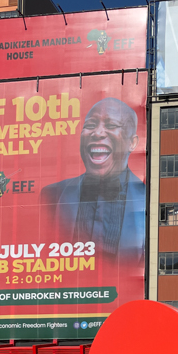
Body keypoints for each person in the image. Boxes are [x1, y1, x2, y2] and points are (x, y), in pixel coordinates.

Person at [41, 97, 145, 261]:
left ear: (132, 143)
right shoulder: (51, 196)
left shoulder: (149, 199)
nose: (97, 133)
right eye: (90, 125)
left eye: (111, 125)